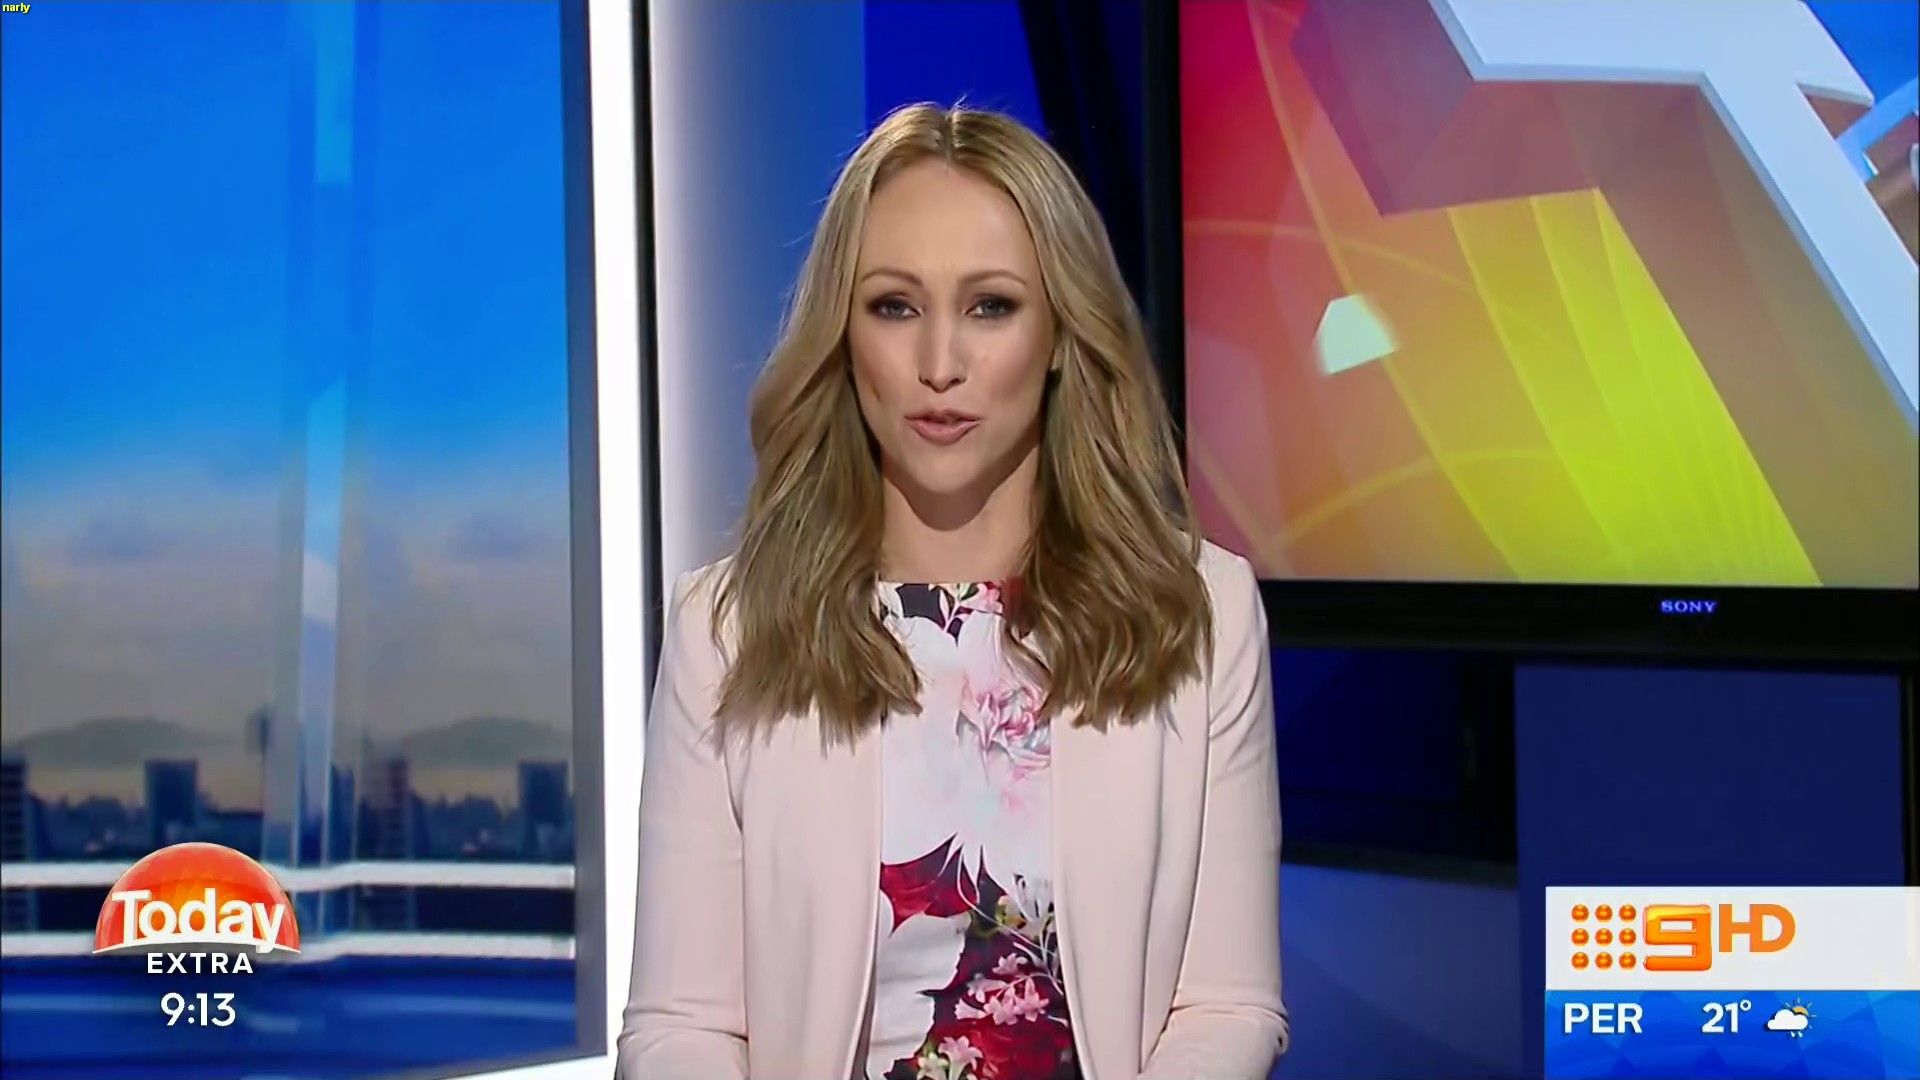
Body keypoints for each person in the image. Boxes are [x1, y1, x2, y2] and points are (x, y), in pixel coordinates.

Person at [617, 102, 1286, 1080]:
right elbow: (681, 1026)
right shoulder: (728, 633)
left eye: (990, 307)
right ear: (843, 337)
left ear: (1060, 333)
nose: (939, 366)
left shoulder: (1200, 615)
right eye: (895, 307)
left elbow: (1226, 1007)